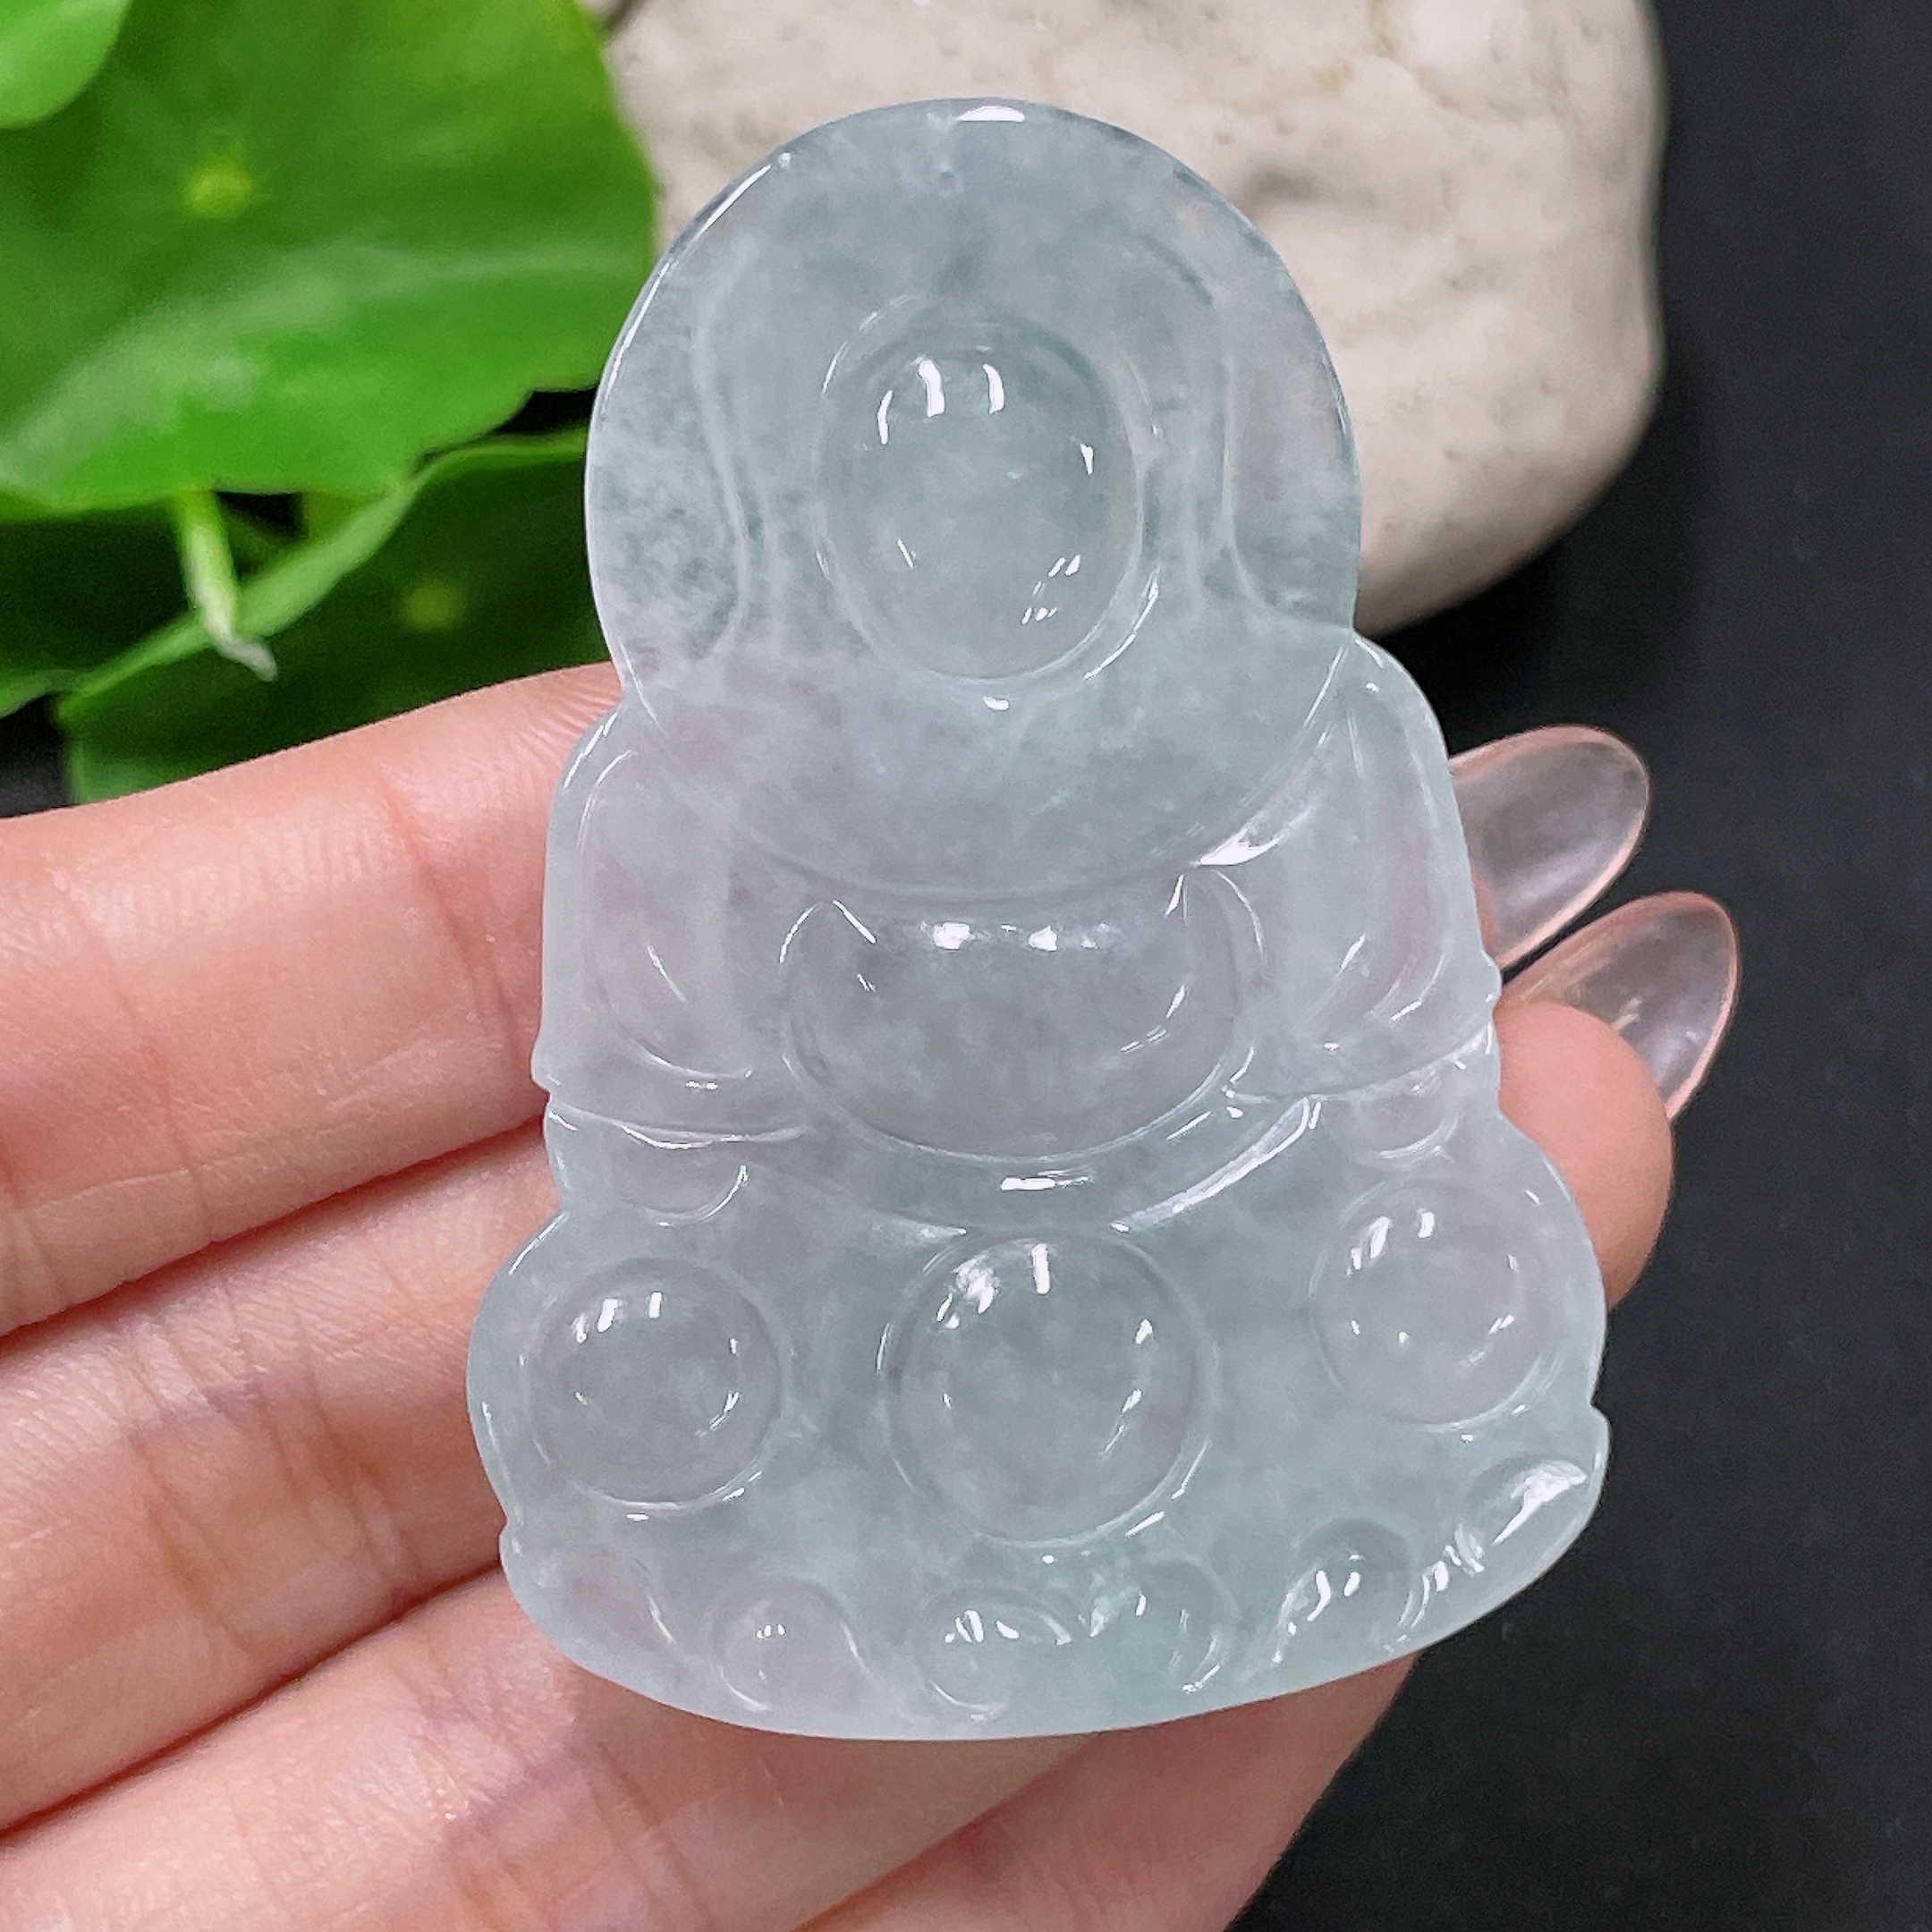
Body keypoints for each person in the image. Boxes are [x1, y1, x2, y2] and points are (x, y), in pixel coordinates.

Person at [0, 663, 1732, 1929]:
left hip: (1213, 1216)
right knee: (615, 1349)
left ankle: (1318, 1515)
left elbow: (1387, 1069)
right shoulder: (678, 781)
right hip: (845, 1253)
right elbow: (649, 1130)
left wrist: (1325, 1159)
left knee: (1454, 1243)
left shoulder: (1315, 727)